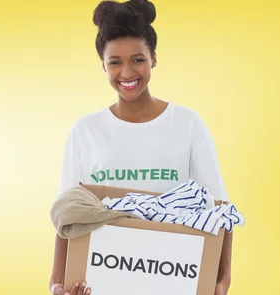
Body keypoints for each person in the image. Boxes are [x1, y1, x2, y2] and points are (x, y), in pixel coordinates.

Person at [48, 1, 233, 294]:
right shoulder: (85, 131)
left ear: (154, 58)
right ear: (103, 65)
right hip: (103, 280)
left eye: (137, 59)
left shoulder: (187, 124)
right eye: (115, 62)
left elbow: (220, 211)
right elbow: (66, 214)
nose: (127, 72)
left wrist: (222, 280)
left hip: (173, 278)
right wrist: (56, 282)